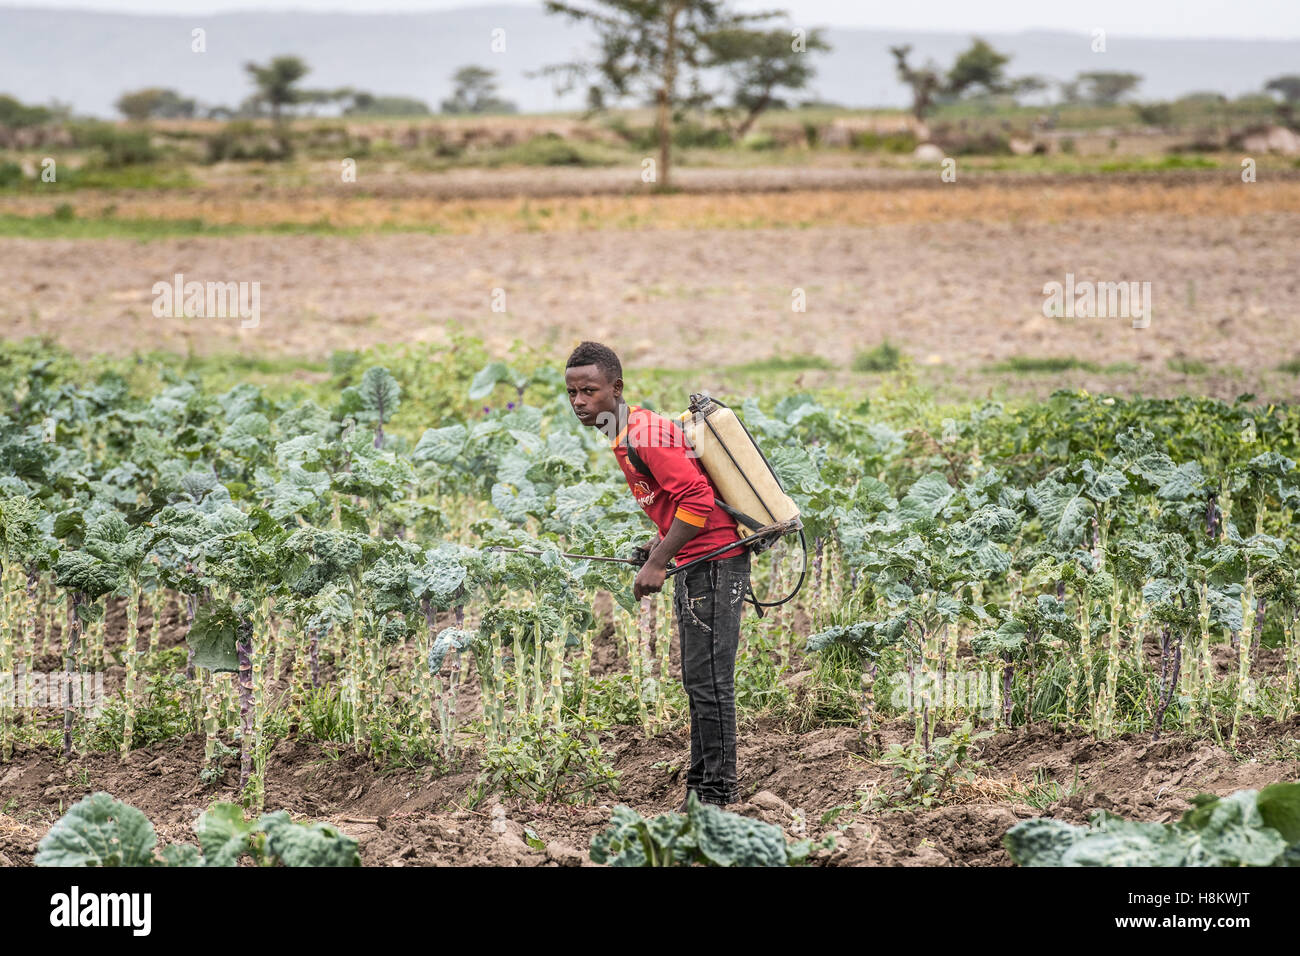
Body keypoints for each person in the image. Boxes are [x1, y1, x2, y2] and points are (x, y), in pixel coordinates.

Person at [564, 341, 751, 810]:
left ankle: (717, 796)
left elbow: (699, 502)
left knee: (710, 683)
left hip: (715, 562)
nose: (579, 402)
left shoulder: (644, 433)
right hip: (698, 559)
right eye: (572, 393)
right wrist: (658, 543)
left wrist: (658, 561)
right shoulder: (623, 432)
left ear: (616, 388)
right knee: (698, 680)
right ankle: (700, 790)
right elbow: (678, 505)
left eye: (589, 391)